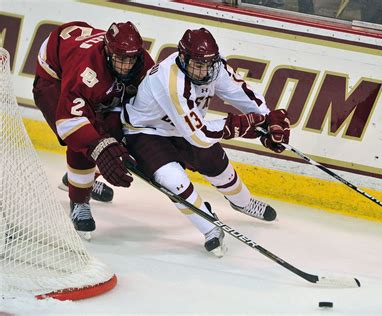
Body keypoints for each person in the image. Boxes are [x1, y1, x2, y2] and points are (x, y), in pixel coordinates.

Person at [122, 27, 290, 257]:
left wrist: (268, 121)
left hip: (183, 128)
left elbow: (243, 95)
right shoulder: (170, 80)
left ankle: (242, 202)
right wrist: (239, 125)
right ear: (183, 57)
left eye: (208, 64)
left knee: (218, 167)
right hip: (146, 132)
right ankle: (210, 227)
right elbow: (199, 136)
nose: (203, 70)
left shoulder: (214, 66)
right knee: (172, 180)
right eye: (198, 64)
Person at [32, 21, 154, 238]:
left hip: (82, 65)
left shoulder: (142, 63)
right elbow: (71, 122)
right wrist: (98, 146)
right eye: (120, 59)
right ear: (107, 51)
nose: (126, 66)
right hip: (55, 78)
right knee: (87, 142)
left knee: (115, 138)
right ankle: (79, 203)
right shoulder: (87, 69)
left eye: (131, 59)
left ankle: (79, 180)